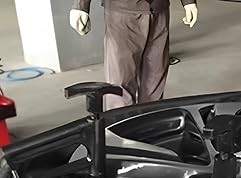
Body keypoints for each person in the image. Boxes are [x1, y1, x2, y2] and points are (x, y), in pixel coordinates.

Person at [70, 0, 198, 109]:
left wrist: (188, 2)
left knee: (155, 79)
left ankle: (150, 124)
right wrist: (81, 6)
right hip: (123, 12)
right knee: (120, 84)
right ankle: (121, 127)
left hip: (159, 9)